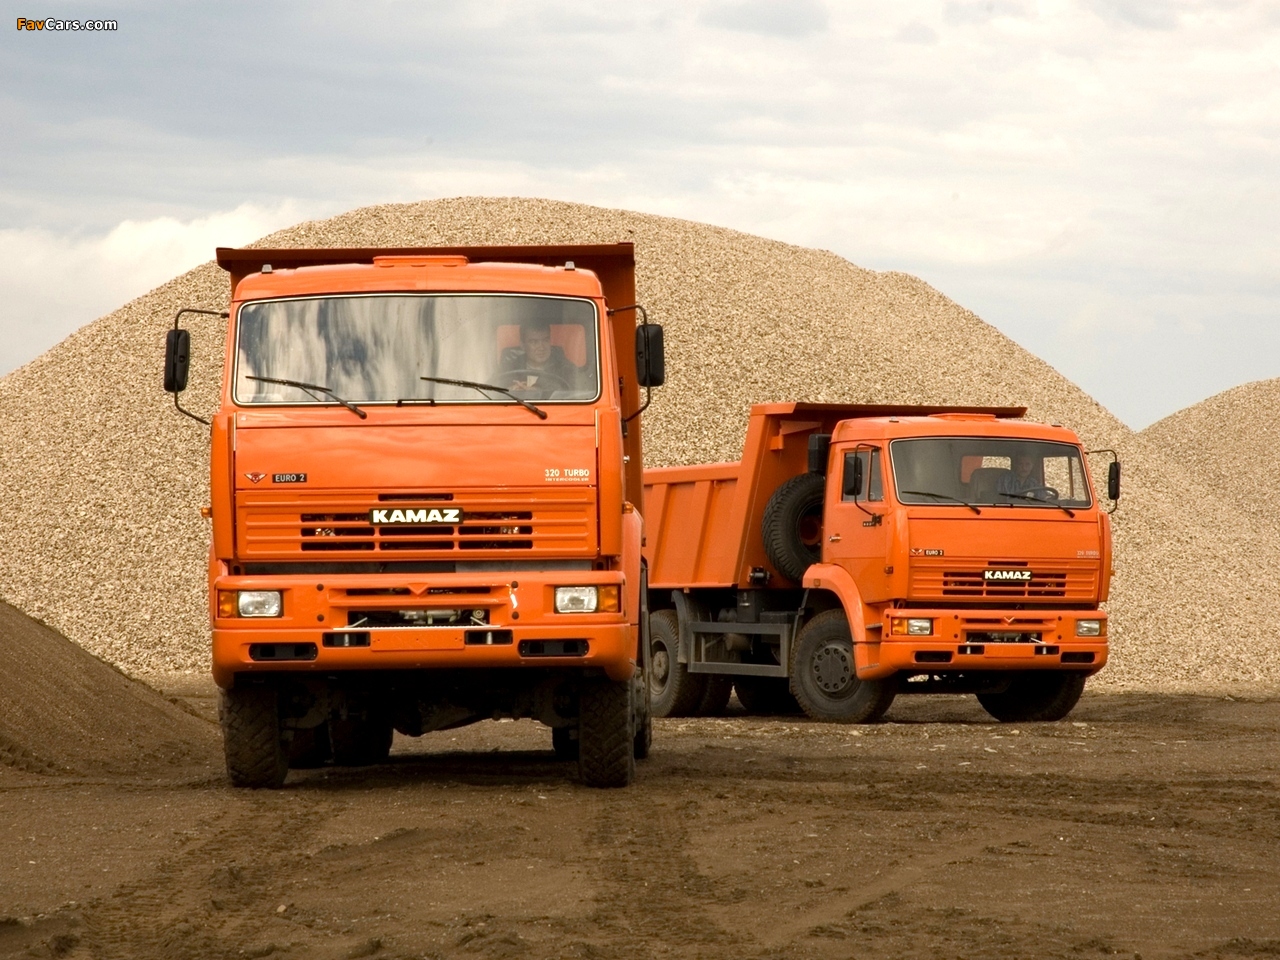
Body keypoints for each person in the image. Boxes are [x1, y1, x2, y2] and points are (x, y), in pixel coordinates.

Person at [501, 319, 580, 393]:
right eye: (534, 342)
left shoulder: (566, 368)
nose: (541, 347)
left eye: (545, 340)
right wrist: (510, 390)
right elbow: (494, 390)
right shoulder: (509, 368)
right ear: (523, 345)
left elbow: (578, 392)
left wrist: (539, 392)